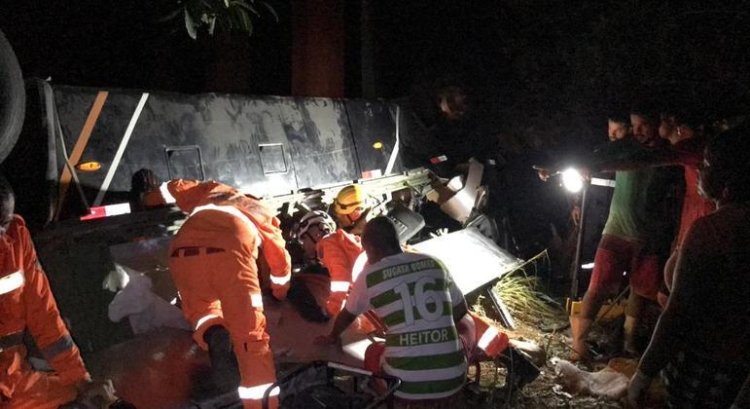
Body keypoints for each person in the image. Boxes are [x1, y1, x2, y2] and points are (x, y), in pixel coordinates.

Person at [628, 123, 750, 408]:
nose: (701, 170)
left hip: (706, 370)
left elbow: (678, 314)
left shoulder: (714, 230)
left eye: (707, 164)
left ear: (729, 177)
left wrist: (643, 373)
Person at [560, 106, 682, 361]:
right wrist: (570, 167)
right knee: (598, 286)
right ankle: (578, 344)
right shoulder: (626, 148)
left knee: (640, 289)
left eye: (642, 126)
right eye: (634, 126)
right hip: (616, 230)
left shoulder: (667, 152)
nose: (638, 132)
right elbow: (599, 156)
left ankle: (628, 342)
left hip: (647, 235)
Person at [164, 179, 292, 409]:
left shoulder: (205, 195)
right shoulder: (259, 210)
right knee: (250, 339)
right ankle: (263, 405)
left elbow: (177, 186)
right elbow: (279, 260)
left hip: (180, 252)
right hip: (230, 255)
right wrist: (280, 291)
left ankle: (214, 332)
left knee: (203, 310)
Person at [0, 174, 115, 408]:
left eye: (4, 223)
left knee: (89, 400)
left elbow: (44, 314)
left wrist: (79, 379)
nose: (3, 236)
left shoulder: (16, 237)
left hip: (14, 382)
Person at [316, 185, 370, 318]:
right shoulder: (369, 230)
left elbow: (341, 279)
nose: (338, 217)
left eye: (341, 214)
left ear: (355, 213)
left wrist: (331, 311)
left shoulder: (331, 243)